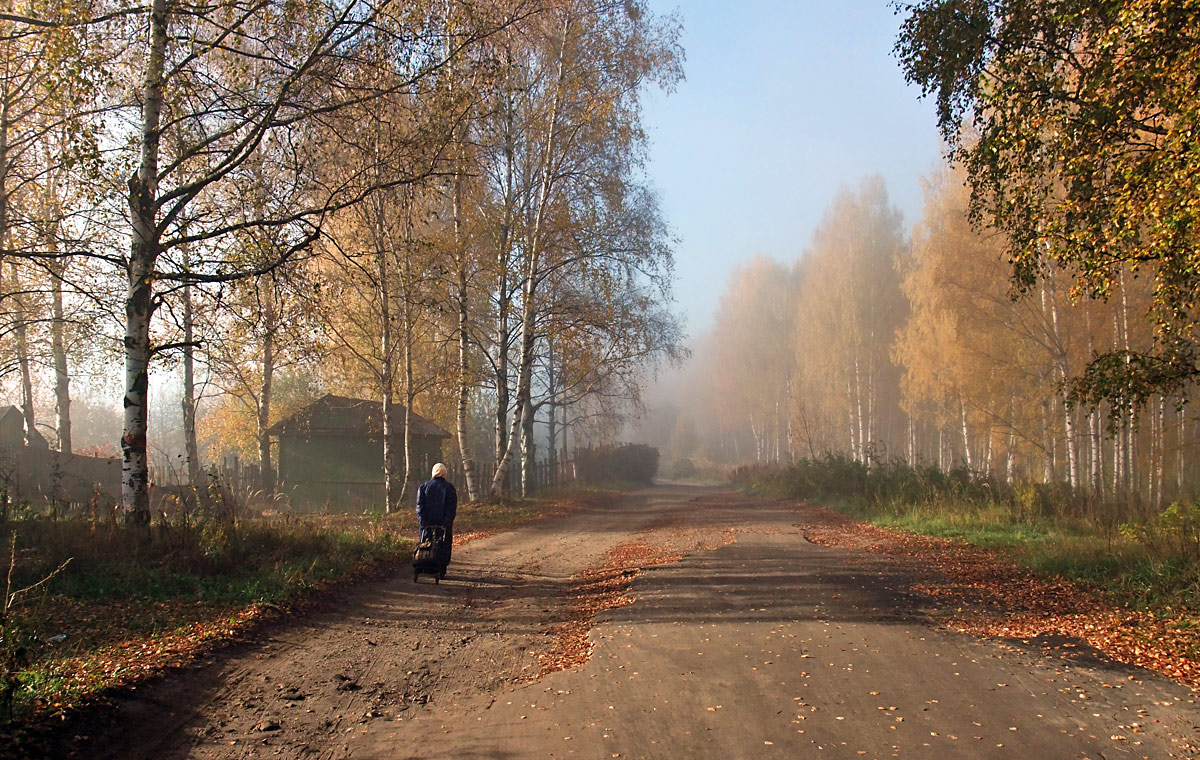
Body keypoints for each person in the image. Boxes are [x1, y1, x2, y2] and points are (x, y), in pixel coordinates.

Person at [416, 462, 457, 576]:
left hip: (427, 524)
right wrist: (446, 524)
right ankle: (441, 569)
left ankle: (425, 567)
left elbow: (420, 508)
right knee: (443, 547)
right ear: (445, 473)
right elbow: (451, 509)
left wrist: (423, 523)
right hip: (442, 524)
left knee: (426, 544)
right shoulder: (450, 488)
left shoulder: (423, 487)